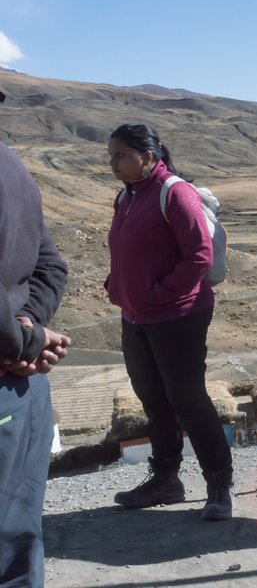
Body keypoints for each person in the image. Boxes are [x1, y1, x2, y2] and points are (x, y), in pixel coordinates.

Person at [105, 123, 233, 521]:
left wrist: (158, 294)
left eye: (120, 155)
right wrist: (117, 287)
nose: (112, 163)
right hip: (136, 317)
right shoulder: (126, 197)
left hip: (178, 315)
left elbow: (198, 257)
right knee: (154, 402)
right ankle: (166, 481)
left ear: (147, 156)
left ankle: (218, 487)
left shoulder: (174, 193)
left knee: (188, 400)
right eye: (110, 156)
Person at [0, 87, 72, 587]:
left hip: (11, 368)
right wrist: (31, 331)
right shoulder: (15, 169)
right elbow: (50, 265)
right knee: (18, 539)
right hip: (24, 388)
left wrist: (20, 339)